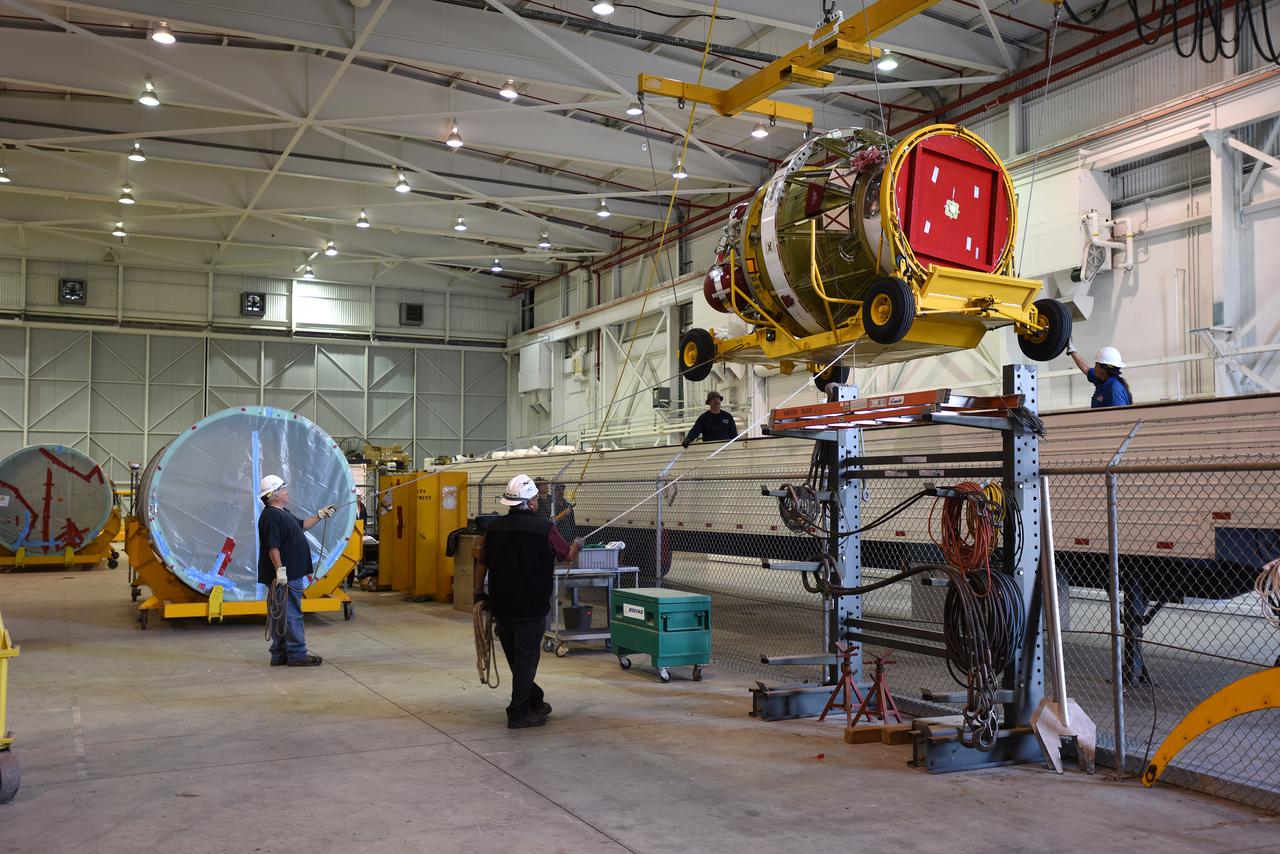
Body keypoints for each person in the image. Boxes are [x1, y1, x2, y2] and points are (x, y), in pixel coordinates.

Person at [475, 474, 583, 729]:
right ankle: (518, 712)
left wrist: (478, 593)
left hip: (501, 605)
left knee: (516, 657)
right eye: (535, 497)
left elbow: (482, 562)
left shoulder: (494, 529)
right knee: (525, 659)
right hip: (531, 607)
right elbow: (566, 555)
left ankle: (534, 699)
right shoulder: (545, 529)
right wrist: (578, 544)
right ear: (531, 503)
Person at [257, 474, 336, 667]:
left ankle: (280, 654)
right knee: (291, 613)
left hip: (289, 573)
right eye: (283, 489)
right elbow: (272, 547)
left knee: (282, 612)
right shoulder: (271, 517)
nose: (286, 491)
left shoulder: (282, 513)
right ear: (274, 495)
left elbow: (302, 526)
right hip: (286, 575)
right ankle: (297, 654)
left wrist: (320, 515)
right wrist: (280, 571)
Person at [1067, 343, 1133, 408]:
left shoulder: (1114, 391)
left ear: (1104, 369)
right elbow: (1086, 369)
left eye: (1096, 365)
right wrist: (1072, 351)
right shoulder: (1102, 379)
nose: (1094, 367)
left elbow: (1119, 416)